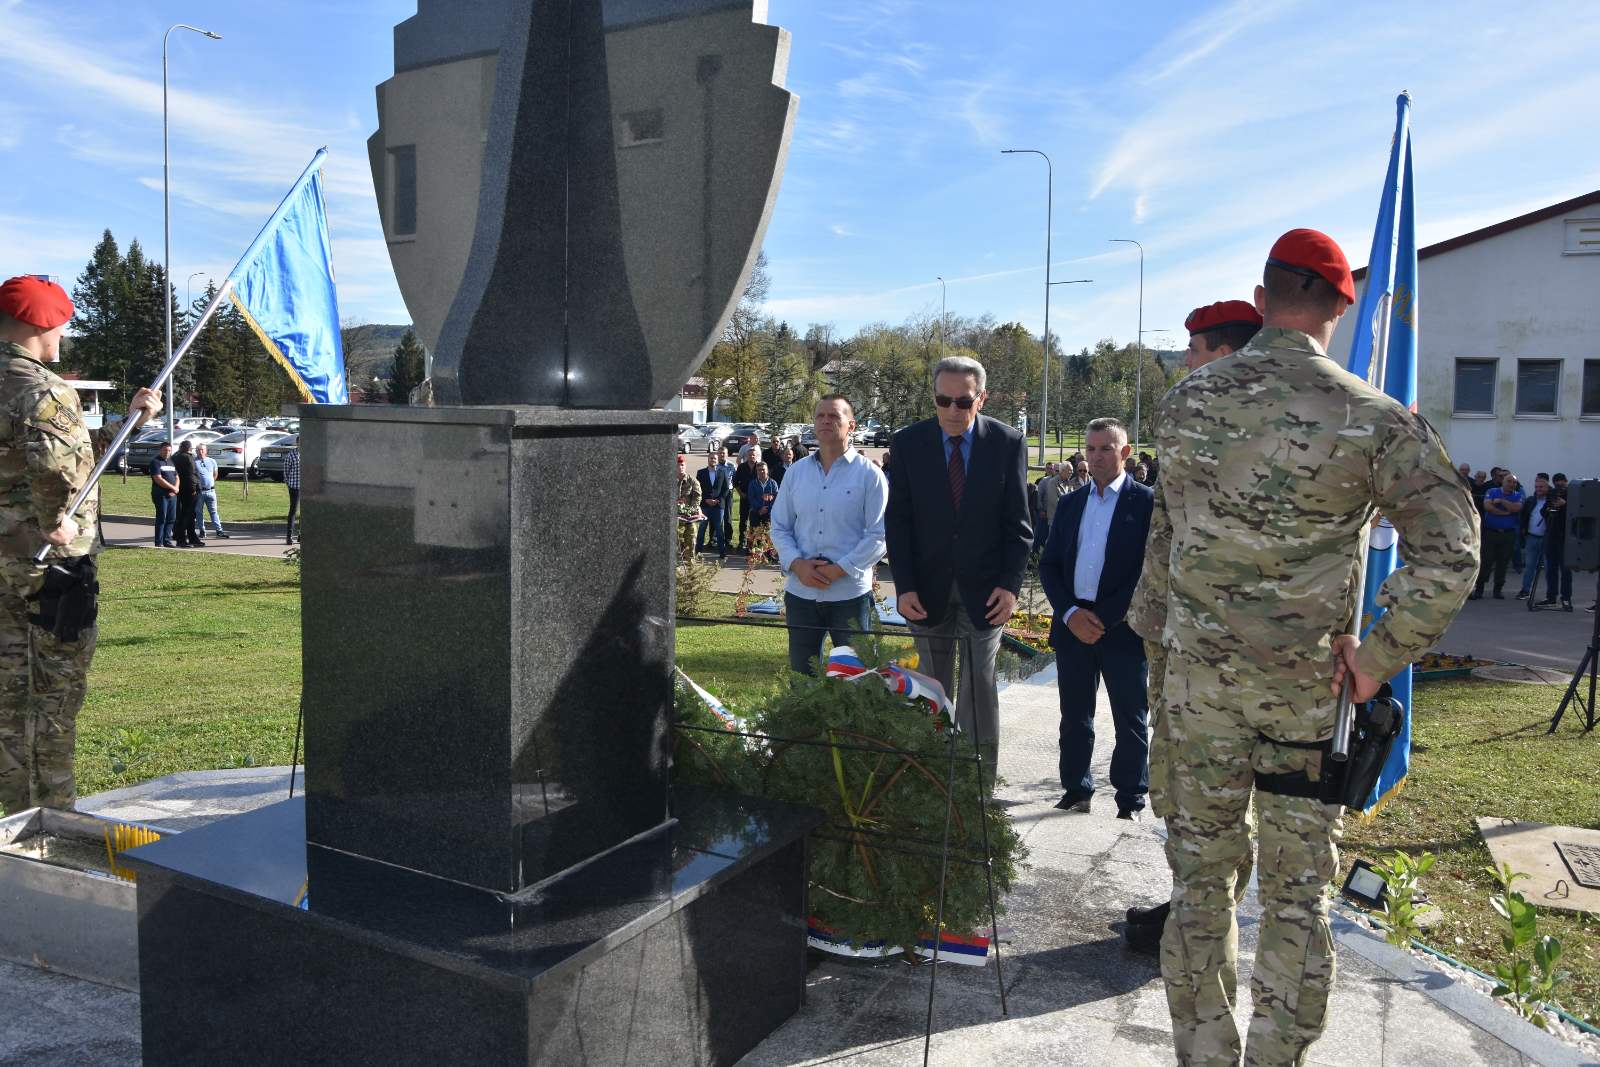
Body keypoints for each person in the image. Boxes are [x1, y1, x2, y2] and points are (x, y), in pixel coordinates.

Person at [1143, 230, 1477, 1065]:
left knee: (1200, 892)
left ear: (1260, 301)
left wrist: (1161, 673)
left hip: (1199, 701)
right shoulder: (1373, 419)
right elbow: (1451, 549)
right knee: (1295, 900)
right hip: (1305, 705)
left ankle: (1206, 1055)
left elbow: (1165, 548)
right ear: (1340, 304)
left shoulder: (1185, 404)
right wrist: (1377, 657)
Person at [1123, 296, 1263, 951]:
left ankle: (1210, 919)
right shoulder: (1199, 420)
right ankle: (1190, 903)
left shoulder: (1250, 433)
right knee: (1176, 784)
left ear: (1226, 353)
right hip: (1170, 632)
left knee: (1213, 789)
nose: (1185, 361)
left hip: (1211, 646)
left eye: (1197, 349)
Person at [1, 275, 161, 814]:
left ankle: (10, 814)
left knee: (7, 696)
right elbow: (56, 469)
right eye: (62, 327)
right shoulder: (45, 389)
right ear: (44, 324)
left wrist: (130, 424)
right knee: (54, 698)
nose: (63, 338)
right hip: (48, 572)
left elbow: (44, 455)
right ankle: (50, 819)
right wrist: (57, 522)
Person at [885, 355, 1030, 764]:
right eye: (942, 400)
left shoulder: (1007, 443)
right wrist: (905, 585)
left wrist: (1011, 586)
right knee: (930, 687)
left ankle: (976, 788)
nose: (952, 410)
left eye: (962, 402)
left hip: (986, 591)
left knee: (979, 684)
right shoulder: (909, 442)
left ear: (981, 399)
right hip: (925, 591)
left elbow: (1018, 525)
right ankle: (932, 779)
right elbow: (898, 521)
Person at [1038, 417, 1153, 819]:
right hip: (1073, 628)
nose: (1097, 456)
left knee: (1131, 717)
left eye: (1106, 448)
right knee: (1074, 717)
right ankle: (1075, 789)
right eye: (1090, 449)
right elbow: (1049, 565)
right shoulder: (1071, 503)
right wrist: (1070, 614)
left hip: (1121, 630)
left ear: (1125, 452)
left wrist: (1101, 617)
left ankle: (1131, 799)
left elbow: (1147, 572)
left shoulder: (1147, 504)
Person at [770, 394, 887, 675]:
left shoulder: (870, 476)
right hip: (801, 594)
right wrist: (798, 565)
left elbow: (879, 535)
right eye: (820, 415)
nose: (825, 421)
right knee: (802, 679)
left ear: (852, 425)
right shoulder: (796, 473)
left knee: (856, 681)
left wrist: (838, 570)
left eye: (834, 416)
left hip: (849, 596)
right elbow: (780, 527)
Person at [1475, 471, 1522, 599]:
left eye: (1514, 482)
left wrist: (1501, 501)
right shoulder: (1492, 491)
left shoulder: (1517, 495)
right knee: (1486, 561)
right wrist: (1504, 513)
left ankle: (1498, 589)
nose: (1511, 484)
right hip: (1491, 532)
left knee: (1503, 562)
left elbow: (1516, 508)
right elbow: (1488, 507)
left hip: (1508, 534)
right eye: (1509, 481)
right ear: (1503, 482)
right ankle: (1479, 589)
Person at [1534, 473, 1573, 611]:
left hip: (1565, 538)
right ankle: (1551, 597)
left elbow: (1576, 514)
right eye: (1557, 483)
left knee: (1566, 571)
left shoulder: (1572, 495)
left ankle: (1566, 598)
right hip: (1551, 536)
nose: (1559, 486)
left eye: (1561, 483)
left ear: (1566, 482)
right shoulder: (1553, 495)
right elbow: (1544, 512)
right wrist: (1551, 506)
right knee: (1551, 569)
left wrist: (1565, 505)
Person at [1517, 473, 1552, 600]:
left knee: (1549, 568)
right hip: (1532, 537)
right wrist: (1523, 529)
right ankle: (1525, 590)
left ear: (1547, 488)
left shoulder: (1551, 502)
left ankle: (1550, 594)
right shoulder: (1531, 500)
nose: (1539, 489)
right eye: (1537, 487)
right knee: (1529, 566)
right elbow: (1525, 516)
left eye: (1541, 487)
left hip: (1546, 539)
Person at [694, 449, 731, 558]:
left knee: (719, 529)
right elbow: (697, 489)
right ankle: (698, 551)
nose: (713, 460)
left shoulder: (723, 471)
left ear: (717, 459)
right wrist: (705, 499)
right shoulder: (701, 473)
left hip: (719, 506)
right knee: (702, 529)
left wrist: (717, 500)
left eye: (715, 458)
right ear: (708, 459)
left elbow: (726, 489)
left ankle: (722, 553)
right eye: (711, 458)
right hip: (705, 505)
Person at [193, 443, 229, 539]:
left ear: (206, 451)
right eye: (198, 450)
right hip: (200, 492)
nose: (200, 452)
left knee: (213, 511)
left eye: (202, 450)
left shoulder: (212, 461)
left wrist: (210, 483)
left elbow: (215, 474)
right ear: (196, 451)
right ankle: (202, 530)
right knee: (199, 512)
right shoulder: (193, 462)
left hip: (211, 491)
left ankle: (219, 530)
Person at [172, 440, 202, 548]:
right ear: (189, 448)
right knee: (187, 515)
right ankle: (182, 539)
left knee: (186, 514)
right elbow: (191, 474)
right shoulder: (188, 457)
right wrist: (194, 487)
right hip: (189, 489)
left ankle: (192, 537)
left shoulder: (175, 456)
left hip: (180, 488)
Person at [149, 442, 179, 548]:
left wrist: (176, 488)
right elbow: (158, 478)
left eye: (169, 450)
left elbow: (176, 477)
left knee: (171, 518)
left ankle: (167, 540)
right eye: (165, 450)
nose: (167, 452)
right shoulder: (155, 462)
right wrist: (172, 487)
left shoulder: (171, 462)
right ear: (160, 450)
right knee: (162, 517)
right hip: (161, 495)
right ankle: (159, 542)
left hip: (172, 495)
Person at [745, 461, 779, 553]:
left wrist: (767, 508)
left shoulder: (773, 483)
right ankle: (751, 552)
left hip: (768, 512)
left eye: (763, 469)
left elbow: (776, 498)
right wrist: (760, 508)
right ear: (756, 471)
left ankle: (768, 553)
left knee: (768, 533)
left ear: (767, 470)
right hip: (756, 512)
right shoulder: (752, 483)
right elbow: (751, 498)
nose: (761, 472)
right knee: (754, 532)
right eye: (759, 470)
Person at [733, 445, 760, 552]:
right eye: (749, 455)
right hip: (744, 498)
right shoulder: (741, 467)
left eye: (753, 455)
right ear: (746, 456)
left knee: (755, 521)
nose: (751, 457)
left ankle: (753, 542)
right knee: (743, 521)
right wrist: (740, 493)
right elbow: (735, 482)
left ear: (757, 456)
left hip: (756, 499)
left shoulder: (760, 467)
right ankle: (742, 541)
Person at [284, 443, 302, 545]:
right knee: (293, 510)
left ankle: (301, 535)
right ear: (297, 444)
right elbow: (286, 471)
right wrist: (289, 483)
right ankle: (289, 536)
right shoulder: (291, 455)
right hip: (294, 486)